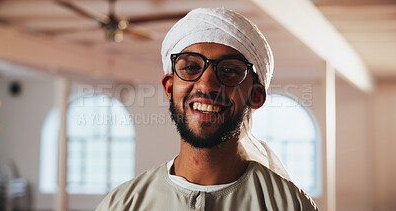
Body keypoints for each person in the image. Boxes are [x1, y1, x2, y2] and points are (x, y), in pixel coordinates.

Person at [96, 8, 319, 211]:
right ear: (169, 87)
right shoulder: (122, 204)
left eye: (230, 70)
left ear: (255, 95)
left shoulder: (289, 204)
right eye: (191, 67)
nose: (207, 85)